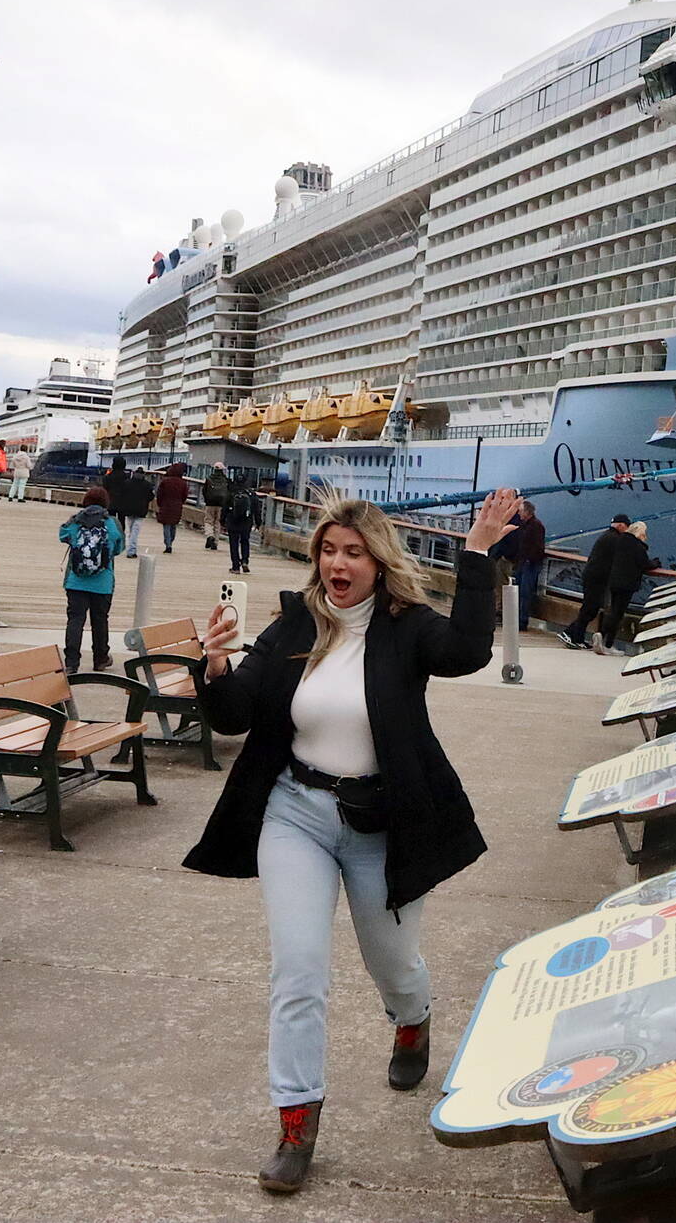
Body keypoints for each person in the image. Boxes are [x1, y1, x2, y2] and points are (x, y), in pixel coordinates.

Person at [184, 488, 520, 1194]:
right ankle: (296, 1121)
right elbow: (237, 714)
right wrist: (213, 666)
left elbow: (466, 650)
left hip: (381, 823)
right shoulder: (292, 625)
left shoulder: (406, 626)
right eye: (328, 551)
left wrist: (478, 552)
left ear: (377, 560)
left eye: (353, 552)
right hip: (295, 814)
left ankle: (412, 1016)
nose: (338, 564)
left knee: (391, 960)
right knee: (298, 971)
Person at [58, 485, 123, 673]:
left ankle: (71, 662)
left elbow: (63, 535)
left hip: (76, 581)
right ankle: (100, 659)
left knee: (75, 620)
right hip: (103, 583)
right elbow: (119, 548)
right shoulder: (112, 523)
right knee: (100, 620)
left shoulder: (75, 520)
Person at [558, 514, 632, 650]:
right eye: (627, 527)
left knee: (590, 607)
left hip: (593, 576)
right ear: (621, 525)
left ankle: (576, 636)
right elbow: (624, 557)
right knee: (590, 608)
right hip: (597, 578)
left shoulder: (607, 536)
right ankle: (571, 634)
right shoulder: (615, 539)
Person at [598, 521, 659, 653]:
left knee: (613, 609)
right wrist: (656, 562)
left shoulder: (620, 541)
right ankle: (606, 641)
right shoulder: (637, 546)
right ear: (640, 532)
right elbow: (645, 563)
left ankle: (603, 639)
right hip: (627, 584)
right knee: (618, 613)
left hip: (614, 581)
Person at [510, 500, 546, 631]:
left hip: (529, 564)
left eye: (520, 511)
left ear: (527, 512)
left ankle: (522, 621)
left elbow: (538, 547)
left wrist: (529, 560)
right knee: (519, 592)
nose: (519, 513)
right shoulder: (524, 525)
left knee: (525, 593)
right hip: (523, 563)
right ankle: (518, 619)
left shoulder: (536, 526)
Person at [224, 473, 260, 574]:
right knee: (245, 541)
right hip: (246, 521)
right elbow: (256, 509)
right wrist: (258, 522)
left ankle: (235, 567)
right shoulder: (251, 493)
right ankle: (245, 561)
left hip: (233, 521)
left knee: (234, 544)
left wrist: (222, 520)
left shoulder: (231, 491)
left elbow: (225, 507)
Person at [154, 462, 190, 554]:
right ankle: (171, 541)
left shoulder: (165, 481)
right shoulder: (183, 483)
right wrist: (180, 502)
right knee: (173, 525)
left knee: (166, 525)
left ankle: (168, 544)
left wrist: (160, 503)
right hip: (177, 506)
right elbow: (184, 495)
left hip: (165, 505)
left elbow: (159, 494)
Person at [201, 467, 229, 550]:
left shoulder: (209, 479)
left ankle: (210, 535)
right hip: (221, 504)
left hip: (210, 503)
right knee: (218, 522)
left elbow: (204, 491)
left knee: (208, 521)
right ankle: (215, 542)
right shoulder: (226, 480)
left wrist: (207, 500)